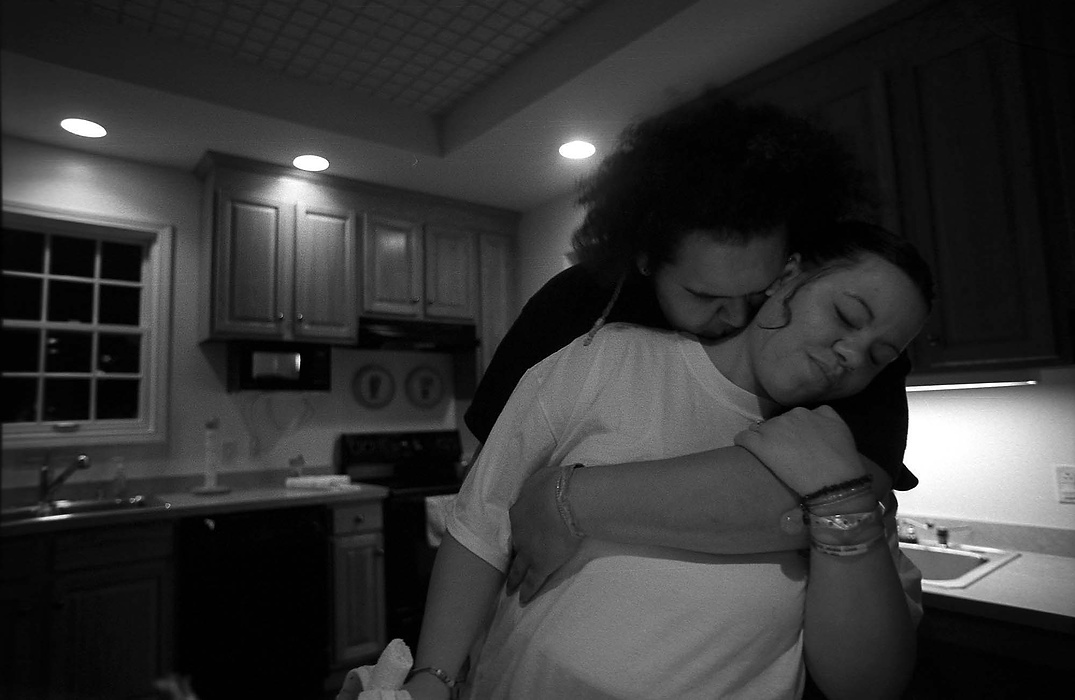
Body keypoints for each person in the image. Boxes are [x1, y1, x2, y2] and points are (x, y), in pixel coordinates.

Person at [402, 221, 933, 699]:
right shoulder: (607, 358)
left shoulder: (842, 463)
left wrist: (844, 502)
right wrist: (433, 678)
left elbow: (867, 683)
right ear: (787, 275)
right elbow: (481, 524)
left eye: (878, 357)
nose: (852, 355)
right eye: (845, 315)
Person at [461, 94, 919, 605]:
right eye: (704, 297)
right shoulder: (579, 305)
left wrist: (570, 498)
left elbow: (854, 493)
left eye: (758, 292)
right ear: (645, 259)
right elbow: (488, 490)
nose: (739, 318)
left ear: (789, 269)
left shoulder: (847, 348)